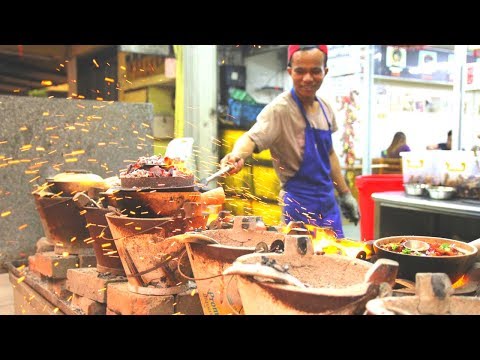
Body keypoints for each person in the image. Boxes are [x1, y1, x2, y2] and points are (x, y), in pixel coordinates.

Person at [220, 45, 359, 238]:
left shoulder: (326, 109)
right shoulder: (280, 109)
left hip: (328, 205)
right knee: (301, 264)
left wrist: (345, 194)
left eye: (315, 71)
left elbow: (329, 153)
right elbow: (250, 138)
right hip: (298, 207)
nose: (308, 78)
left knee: (338, 259)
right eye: (300, 71)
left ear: (325, 72)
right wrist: (236, 155)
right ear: (290, 72)